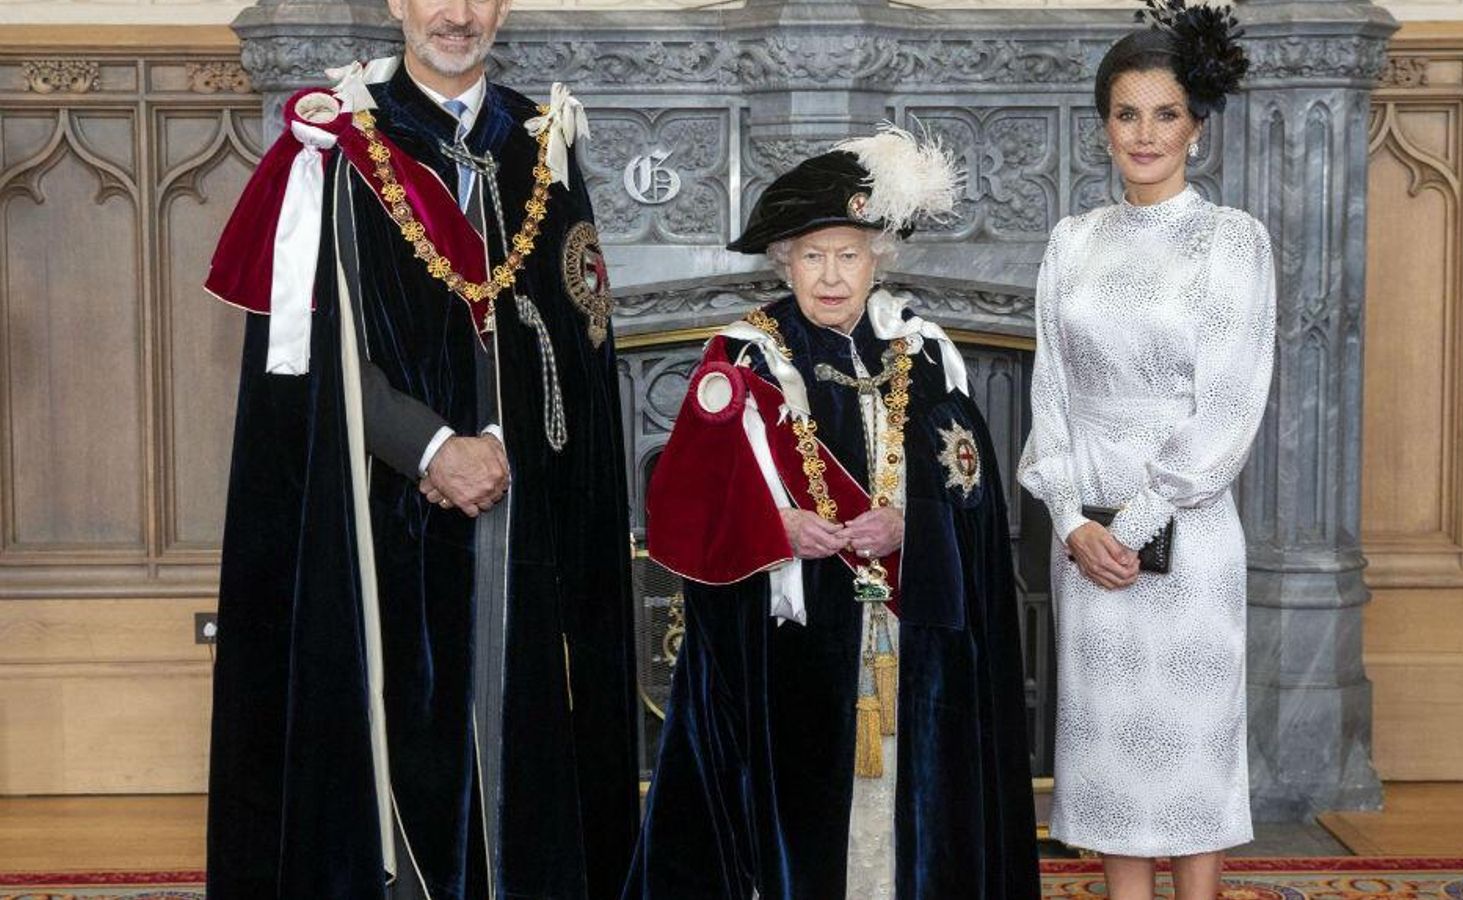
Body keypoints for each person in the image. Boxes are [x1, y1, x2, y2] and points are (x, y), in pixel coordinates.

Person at [201, 0, 637, 895]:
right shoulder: (337, 145)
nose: (457, 13)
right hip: (380, 505)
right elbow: (305, 356)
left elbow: (580, 330)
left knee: (524, 739)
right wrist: (432, 446)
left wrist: (504, 441)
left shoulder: (541, 139)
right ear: (398, 3)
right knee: (402, 750)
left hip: (523, 498)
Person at [623, 127, 1041, 900]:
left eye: (849, 254)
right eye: (812, 255)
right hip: (790, 640)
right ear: (785, 260)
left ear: (876, 257)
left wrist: (913, 525)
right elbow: (682, 506)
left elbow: (973, 492)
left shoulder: (922, 351)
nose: (831, 274)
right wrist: (773, 527)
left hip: (910, 638)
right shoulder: (744, 357)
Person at [1017, 2, 1272, 897]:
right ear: (1104, 127)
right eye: (1127, 114)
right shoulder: (1071, 241)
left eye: (1166, 114)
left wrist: (1137, 520)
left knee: (1193, 755)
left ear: (1197, 128)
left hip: (1188, 538)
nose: (1145, 133)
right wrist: (1069, 520)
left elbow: (1230, 405)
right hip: (1086, 540)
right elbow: (1050, 391)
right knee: (1112, 760)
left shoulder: (1233, 241)